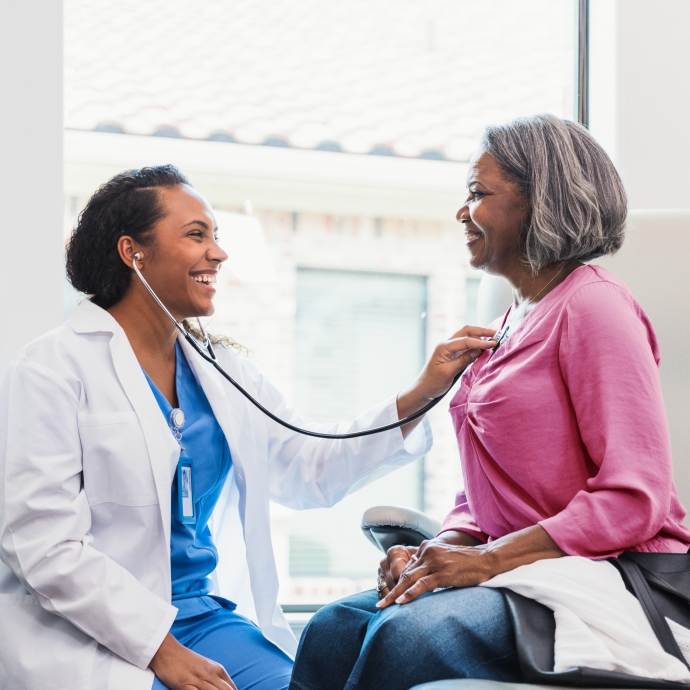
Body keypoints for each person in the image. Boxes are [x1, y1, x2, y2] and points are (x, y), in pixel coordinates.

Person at [0, 165, 498, 690]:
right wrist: (160, 652)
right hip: (86, 632)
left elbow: (309, 466)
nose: (218, 253)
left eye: (216, 236)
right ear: (133, 253)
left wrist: (422, 391)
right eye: (197, 235)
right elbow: (44, 545)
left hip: (200, 618)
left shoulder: (220, 372)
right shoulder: (51, 370)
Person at [288, 114, 690, 690]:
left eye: (478, 194)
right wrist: (439, 550)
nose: (462, 211)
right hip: (524, 570)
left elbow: (635, 498)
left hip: (611, 575)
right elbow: (487, 497)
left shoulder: (595, 309)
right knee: (330, 629)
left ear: (539, 203)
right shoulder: (505, 326)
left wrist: (486, 562)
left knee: (409, 639)